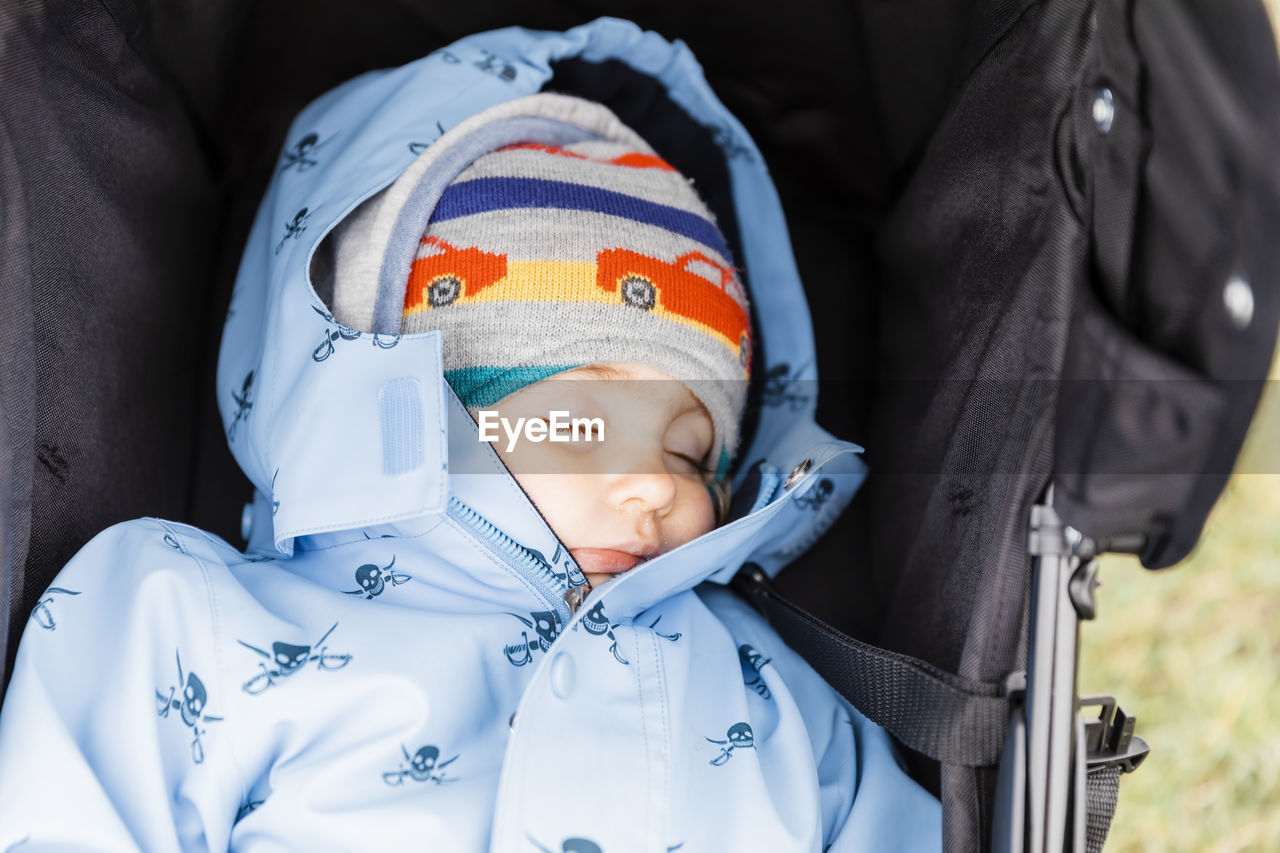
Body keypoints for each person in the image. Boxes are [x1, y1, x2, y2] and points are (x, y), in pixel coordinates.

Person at [0, 18, 940, 851]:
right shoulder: (192, 621)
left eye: (695, 456)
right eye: (590, 425)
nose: (659, 489)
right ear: (418, 405)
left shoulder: (774, 695)